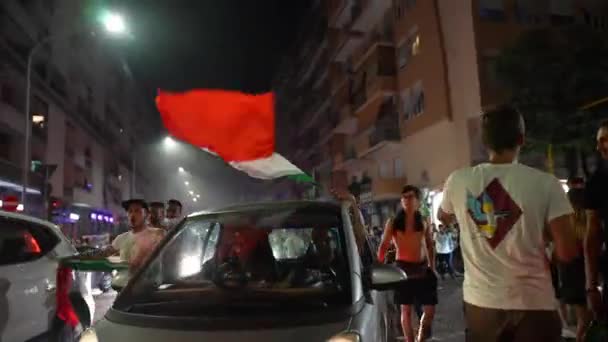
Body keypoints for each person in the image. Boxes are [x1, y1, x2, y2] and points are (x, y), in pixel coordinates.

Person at [438, 105, 578, 341]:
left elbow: (443, 216)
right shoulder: (546, 184)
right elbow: (567, 252)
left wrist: (469, 217)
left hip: (481, 306)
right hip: (535, 305)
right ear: (521, 139)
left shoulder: (458, 181)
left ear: (485, 143)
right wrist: (542, 234)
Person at [378, 185, 437, 342]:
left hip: (423, 269)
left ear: (418, 200)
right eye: (404, 197)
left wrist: (433, 267)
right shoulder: (393, 222)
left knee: (429, 311)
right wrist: (377, 265)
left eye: (410, 197)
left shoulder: (423, 220)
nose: (406, 200)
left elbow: (430, 245)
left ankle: (420, 336)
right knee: (406, 311)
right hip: (402, 270)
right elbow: (384, 245)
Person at [556, 179, 591, 341]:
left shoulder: (564, 225)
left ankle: (573, 332)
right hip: (586, 274)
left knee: (582, 317)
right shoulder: (590, 226)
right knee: (586, 318)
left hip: (569, 272)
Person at [584, 120, 608, 321]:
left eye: (605, 140)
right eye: (598, 141)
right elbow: (592, 237)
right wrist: (591, 287)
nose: (599, 146)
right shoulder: (598, 182)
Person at [110, 199, 165, 271]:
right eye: (130, 211)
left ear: (147, 215)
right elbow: (106, 252)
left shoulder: (157, 234)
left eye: (137, 211)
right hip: (123, 281)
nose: (132, 215)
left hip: (148, 281)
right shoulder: (121, 238)